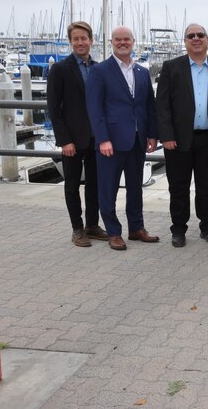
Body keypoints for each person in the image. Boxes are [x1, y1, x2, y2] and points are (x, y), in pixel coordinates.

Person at [86, 26, 159, 251]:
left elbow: (149, 106)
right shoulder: (100, 71)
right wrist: (103, 139)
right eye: (118, 39)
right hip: (112, 142)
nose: (122, 43)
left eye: (126, 39)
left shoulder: (142, 71)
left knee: (136, 186)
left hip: (137, 140)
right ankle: (114, 232)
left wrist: (152, 135)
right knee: (108, 188)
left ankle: (136, 227)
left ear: (133, 41)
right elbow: (94, 108)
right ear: (112, 42)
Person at [156, 23, 208, 247]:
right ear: (185, 41)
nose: (196, 39)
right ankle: (178, 229)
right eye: (191, 36)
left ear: (207, 40)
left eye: (200, 35)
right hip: (178, 139)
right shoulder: (171, 67)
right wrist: (166, 135)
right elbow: (162, 105)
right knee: (178, 187)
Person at [46, 21, 108, 247]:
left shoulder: (99, 68)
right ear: (70, 42)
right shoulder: (60, 69)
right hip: (72, 139)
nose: (80, 42)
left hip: (96, 138)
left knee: (95, 185)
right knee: (72, 186)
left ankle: (92, 225)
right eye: (76, 39)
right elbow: (54, 108)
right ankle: (77, 229)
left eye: (84, 38)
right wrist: (64, 140)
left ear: (91, 40)